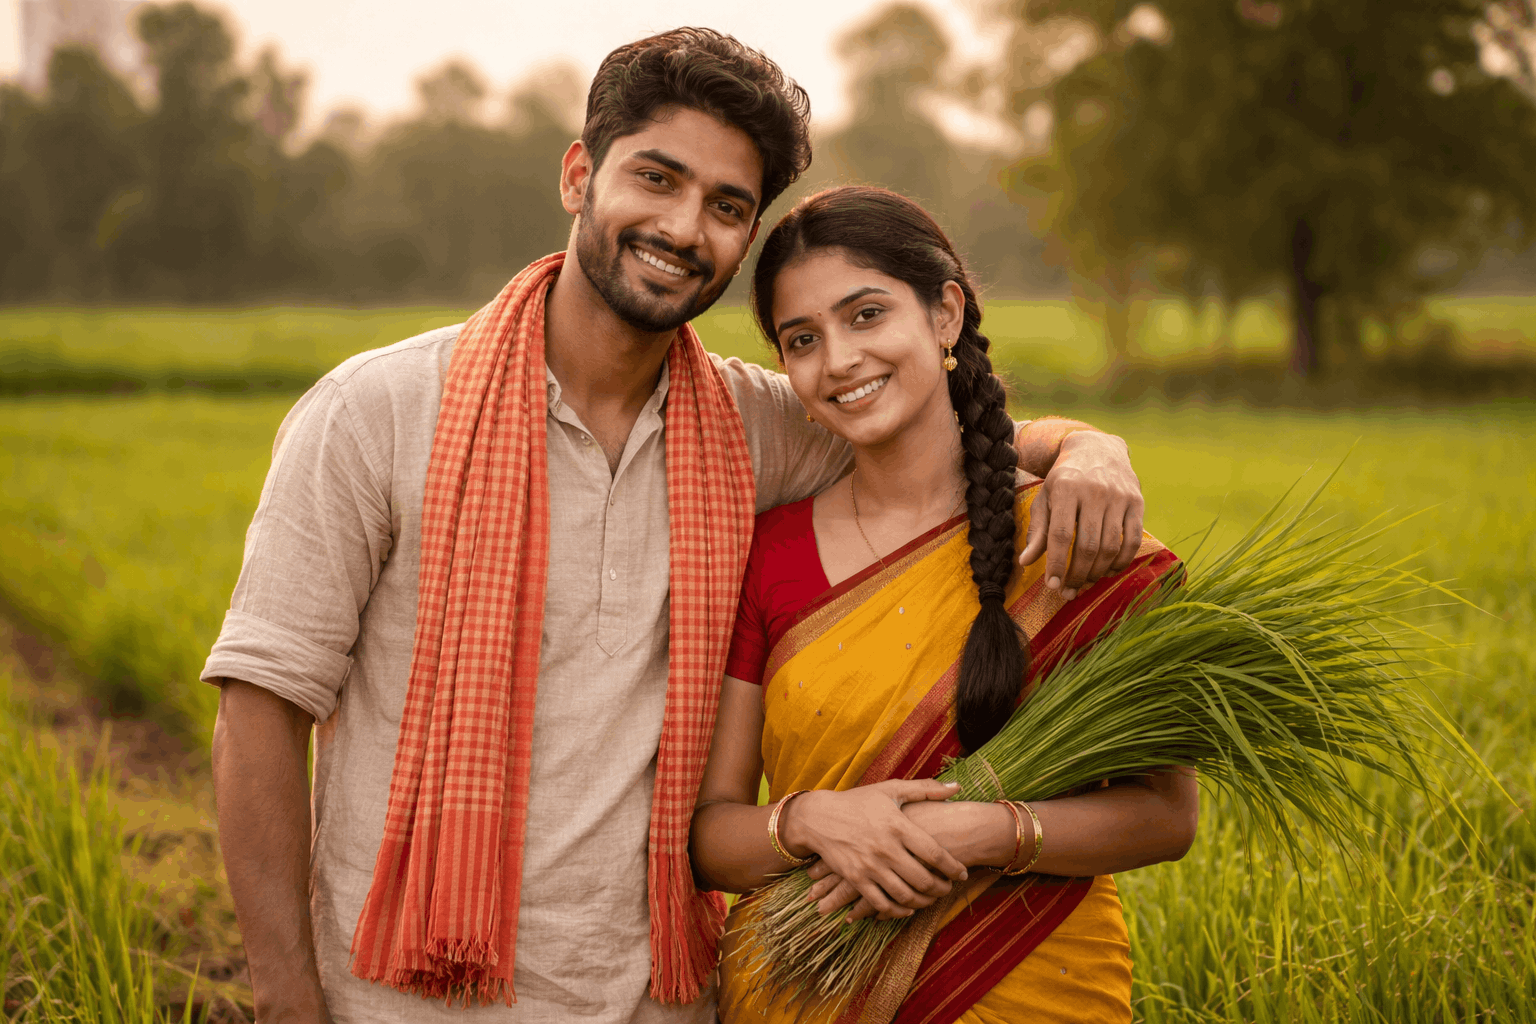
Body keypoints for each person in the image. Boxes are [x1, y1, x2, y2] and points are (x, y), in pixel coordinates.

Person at [204, 30, 1147, 1024]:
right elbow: (262, 707)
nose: (683, 225)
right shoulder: (377, 411)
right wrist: (284, 997)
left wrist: (1089, 449)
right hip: (401, 998)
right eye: (657, 177)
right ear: (579, 175)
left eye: (727, 207)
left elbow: (948, 434)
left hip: (663, 998)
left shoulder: (760, 425)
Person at [690, 186, 1199, 1024]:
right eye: (802, 340)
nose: (840, 359)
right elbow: (711, 837)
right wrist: (813, 820)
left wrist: (987, 833)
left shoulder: (1075, 538)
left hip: (1035, 982)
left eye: (866, 315)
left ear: (946, 314)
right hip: (801, 990)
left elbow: (1166, 817)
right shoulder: (770, 554)